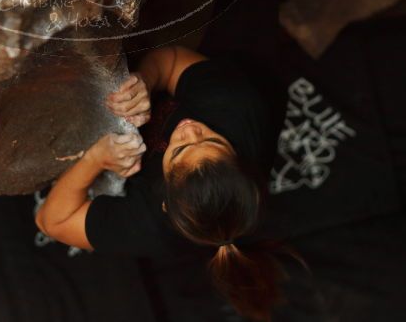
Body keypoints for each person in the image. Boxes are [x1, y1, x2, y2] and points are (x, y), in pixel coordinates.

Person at [35, 44, 290, 321]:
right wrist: (146, 80)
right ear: (237, 157)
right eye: (212, 139)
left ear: (165, 201)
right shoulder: (235, 105)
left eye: (179, 150)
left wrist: (96, 159)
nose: (190, 128)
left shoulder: (153, 226)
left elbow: (52, 221)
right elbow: (172, 59)